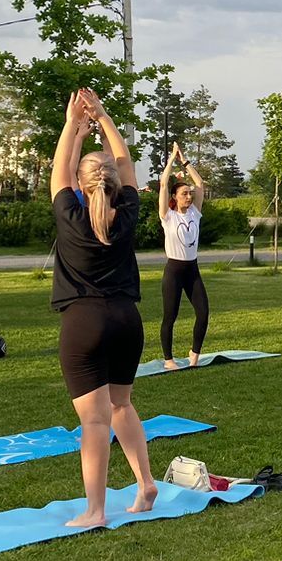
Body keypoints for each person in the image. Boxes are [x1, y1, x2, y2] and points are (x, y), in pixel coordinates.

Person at [49, 87, 157, 526]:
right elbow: (126, 162)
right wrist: (105, 118)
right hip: (126, 319)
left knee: (93, 422)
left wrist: (74, 123)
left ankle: (95, 510)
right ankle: (145, 482)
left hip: (85, 320)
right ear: (113, 182)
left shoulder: (70, 214)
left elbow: (60, 169)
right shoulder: (127, 210)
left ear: (80, 182)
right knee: (121, 406)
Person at [157, 143, 209, 370]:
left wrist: (184, 160)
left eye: (189, 194)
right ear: (175, 197)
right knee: (170, 316)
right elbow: (163, 184)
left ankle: (194, 354)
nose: (189, 196)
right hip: (174, 271)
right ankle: (168, 360)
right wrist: (170, 160)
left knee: (204, 312)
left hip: (192, 269)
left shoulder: (195, 214)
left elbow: (200, 184)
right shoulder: (167, 216)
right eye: (184, 194)